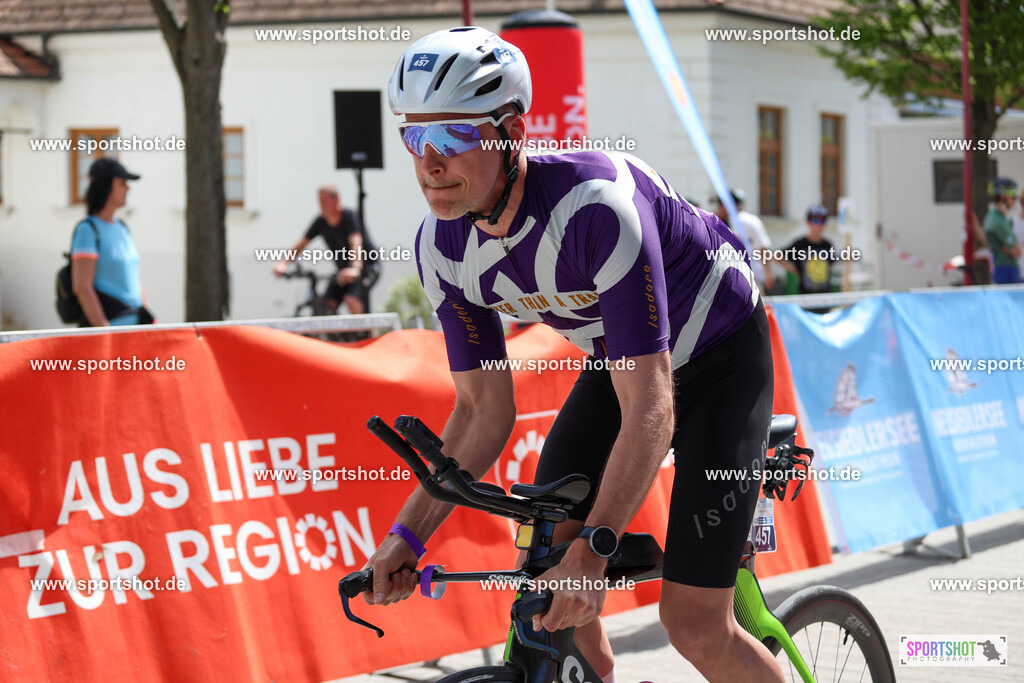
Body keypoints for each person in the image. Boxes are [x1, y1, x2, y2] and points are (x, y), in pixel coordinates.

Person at [362, 27, 784, 682]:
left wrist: (596, 548)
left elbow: (651, 406)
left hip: (721, 356)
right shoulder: (441, 248)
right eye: (415, 137)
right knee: (545, 570)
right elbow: (482, 413)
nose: (430, 161)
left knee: (694, 623)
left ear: (512, 132)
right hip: (627, 361)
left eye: (453, 135)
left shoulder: (596, 208)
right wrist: (406, 536)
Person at [71, 158, 153, 326]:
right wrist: (105, 331)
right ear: (106, 186)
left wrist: (148, 320)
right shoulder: (87, 230)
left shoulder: (122, 227)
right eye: (122, 183)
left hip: (134, 328)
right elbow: (82, 287)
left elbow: (134, 280)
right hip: (111, 331)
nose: (128, 188)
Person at [273, 185, 365, 314]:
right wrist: (284, 263)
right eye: (320, 201)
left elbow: (355, 242)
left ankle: (365, 327)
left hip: (365, 268)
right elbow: (302, 243)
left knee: (351, 299)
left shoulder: (349, 216)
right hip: (342, 272)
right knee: (327, 305)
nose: (321, 205)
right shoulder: (321, 222)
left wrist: (355, 267)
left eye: (325, 201)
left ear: (336, 200)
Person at [713, 189, 774, 293]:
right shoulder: (750, 220)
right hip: (745, 276)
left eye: (721, 204)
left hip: (741, 277)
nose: (718, 208)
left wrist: (767, 273)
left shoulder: (724, 221)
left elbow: (762, 248)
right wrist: (768, 273)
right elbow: (763, 248)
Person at [780, 205, 836, 311]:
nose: (819, 225)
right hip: (805, 297)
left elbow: (831, 264)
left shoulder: (827, 245)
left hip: (825, 297)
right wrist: (794, 269)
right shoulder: (801, 244)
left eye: (822, 221)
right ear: (808, 223)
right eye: (815, 220)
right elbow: (777, 256)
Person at [983, 178, 1022, 284]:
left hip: (1004, 269)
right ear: (1003, 197)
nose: (1015, 201)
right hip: (1006, 270)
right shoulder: (998, 221)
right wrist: (1013, 247)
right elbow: (1017, 251)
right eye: (1013, 197)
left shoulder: (998, 218)